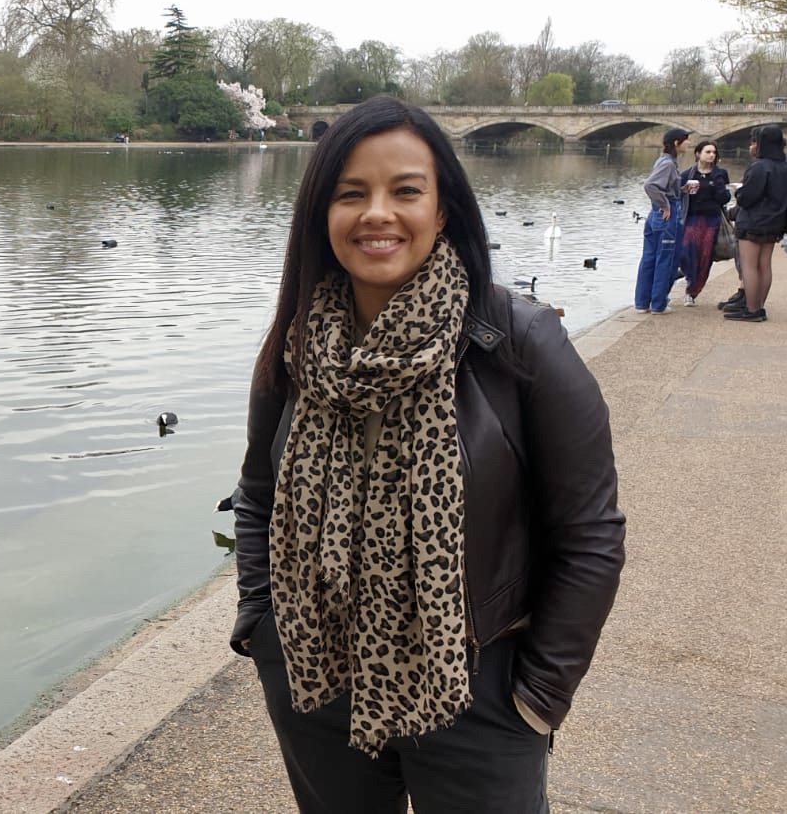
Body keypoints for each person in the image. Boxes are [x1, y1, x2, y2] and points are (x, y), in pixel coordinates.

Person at [229, 96, 625, 813]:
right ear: (322, 214)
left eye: (405, 190)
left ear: (442, 210)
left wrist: (537, 698)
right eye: (352, 194)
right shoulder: (299, 343)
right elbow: (258, 493)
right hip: (318, 678)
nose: (377, 213)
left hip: (478, 690)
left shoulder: (519, 342)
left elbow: (591, 534)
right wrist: (263, 631)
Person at [725, 125, 787, 322]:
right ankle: (759, 306)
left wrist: (738, 192)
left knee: (750, 266)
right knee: (765, 265)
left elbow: (747, 198)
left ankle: (752, 309)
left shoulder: (760, 166)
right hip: (776, 220)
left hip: (753, 221)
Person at [634, 128, 691, 314]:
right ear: (676, 143)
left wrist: (681, 190)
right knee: (666, 258)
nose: (689, 144)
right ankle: (658, 303)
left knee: (649, 257)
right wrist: (665, 205)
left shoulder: (664, 161)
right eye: (686, 140)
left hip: (655, 214)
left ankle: (642, 302)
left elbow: (662, 186)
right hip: (667, 214)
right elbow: (650, 185)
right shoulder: (667, 164)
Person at [677, 140, 731, 305]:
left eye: (714, 152)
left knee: (705, 256)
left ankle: (692, 292)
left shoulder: (720, 174)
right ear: (698, 154)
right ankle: (687, 275)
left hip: (711, 219)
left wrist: (718, 183)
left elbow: (725, 198)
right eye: (708, 152)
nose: (711, 155)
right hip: (692, 217)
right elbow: (678, 197)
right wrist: (684, 191)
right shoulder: (687, 175)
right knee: (686, 251)